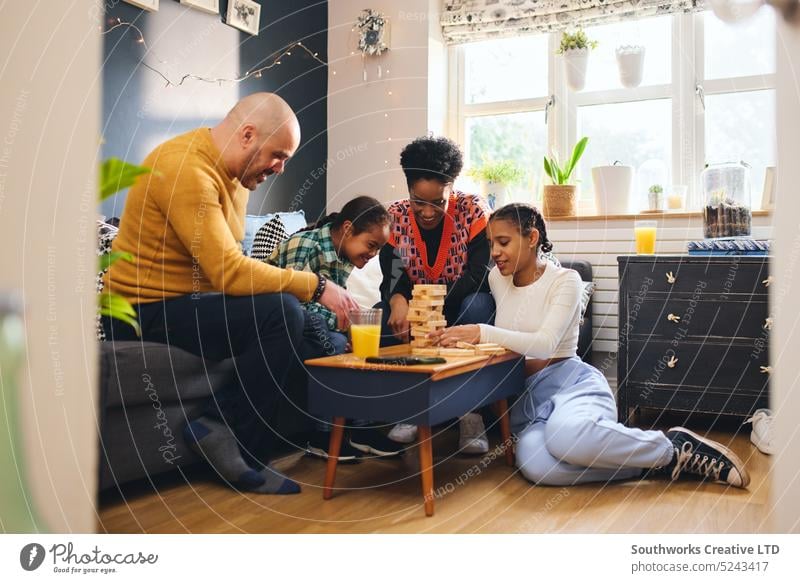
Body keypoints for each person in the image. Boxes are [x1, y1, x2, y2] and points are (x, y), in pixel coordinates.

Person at [102, 93, 360, 494]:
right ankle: (245, 453)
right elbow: (227, 273)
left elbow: (228, 264)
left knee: (304, 323)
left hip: (187, 302)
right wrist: (317, 285)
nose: (280, 168)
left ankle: (348, 427)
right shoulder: (185, 168)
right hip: (139, 310)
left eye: (287, 160)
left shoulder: (236, 175)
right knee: (283, 314)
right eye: (278, 155)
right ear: (246, 135)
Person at [431, 202, 750, 489]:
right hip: (526, 400)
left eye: (503, 242)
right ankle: (658, 465)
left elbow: (545, 344)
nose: (495, 253)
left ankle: (673, 446)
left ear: (531, 239)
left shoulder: (565, 280)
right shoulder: (497, 280)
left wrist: (481, 332)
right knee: (540, 468)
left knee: (567, 436)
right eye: (491, 244)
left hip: (571, 384)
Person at [378, 136, 494, 453]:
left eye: (438, 202)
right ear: (408, 191)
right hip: (418, 308)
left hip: (462, 305)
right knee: (382, 316)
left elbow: (479, 275)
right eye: (418, 201)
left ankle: (472, 414)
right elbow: (393, 278)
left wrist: (432, 309)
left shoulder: (472, 211)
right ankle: (411, 408)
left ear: (451, 190)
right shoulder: (396, 217)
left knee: (477, 306)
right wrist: (398, 301)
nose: (427, 212)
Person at [267, 195, 403, 461]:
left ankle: (361, 428)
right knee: (336, 344)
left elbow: (331, 305)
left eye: (378, 248)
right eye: (371, 245)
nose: (373, 254)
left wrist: (347, 327)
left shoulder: (343, 256)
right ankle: (322, 436)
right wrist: (343, 326)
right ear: (348, 229)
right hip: (278, 321)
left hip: (306, 321)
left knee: (363, 346)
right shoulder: (306, 245)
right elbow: (294, 305)